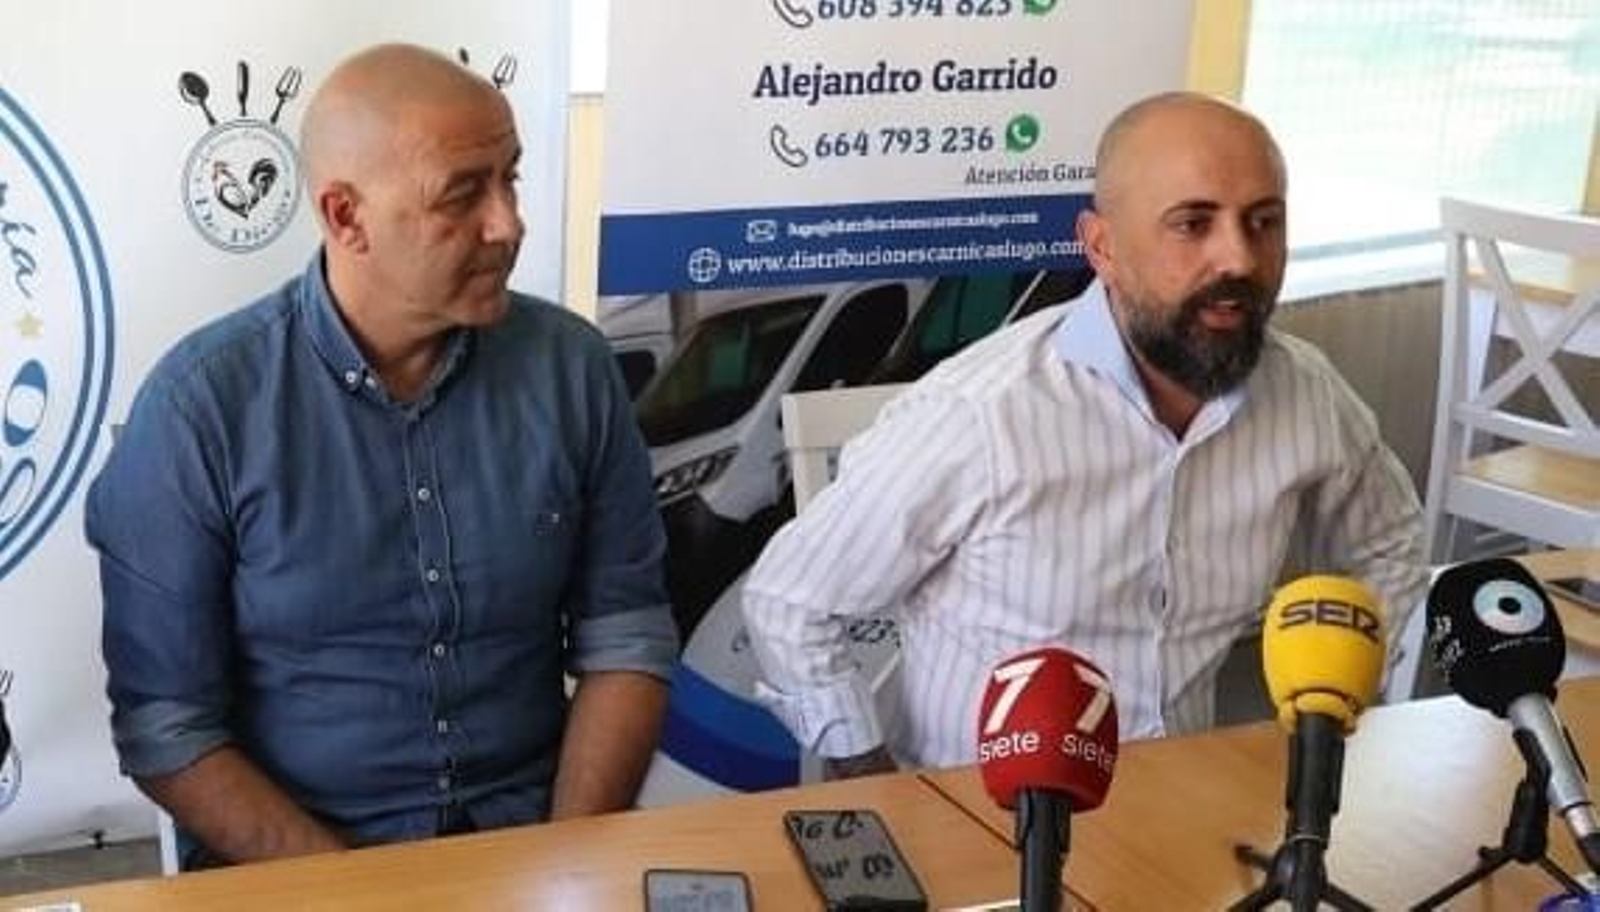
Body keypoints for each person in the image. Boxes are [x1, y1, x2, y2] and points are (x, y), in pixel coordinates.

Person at [85, 44, 677, 864]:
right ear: (345, 217)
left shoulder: (570, 368)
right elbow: (168, 728)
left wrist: (565, 863)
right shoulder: (201, 410)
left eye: (510, 179)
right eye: (462, 195)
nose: (508, 224)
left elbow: (626, 636)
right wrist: (358, 895)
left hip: (536, 840)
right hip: (295, 869)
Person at [741, 92, 1427, 778]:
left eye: (1263, 221)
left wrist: (1330, 704)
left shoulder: (1306, 395)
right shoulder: (978, 413)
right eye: (1193, 224)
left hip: (1188, 799)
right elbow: (789, 602)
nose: (1239, 260)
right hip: (985, 813)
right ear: (1102, 247)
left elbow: (1390, 545)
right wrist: (883, 790)